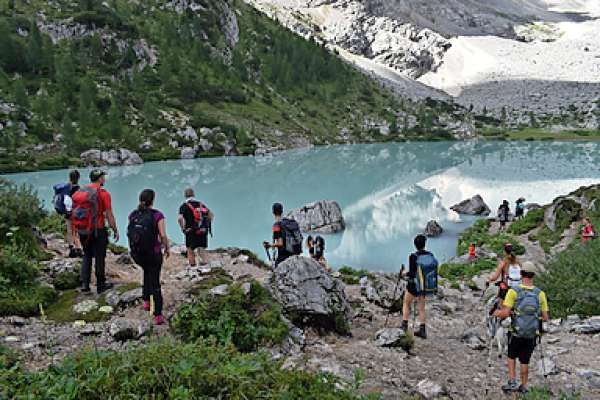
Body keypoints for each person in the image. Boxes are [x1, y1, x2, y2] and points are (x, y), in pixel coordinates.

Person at [493, 264, 549, 394]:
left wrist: (495, 313)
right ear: (533, 275)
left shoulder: (513, 292)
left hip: (516, 332)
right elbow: (545, 317)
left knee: (511, 356)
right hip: (531, 333)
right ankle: (524, 386)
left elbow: (505, 313)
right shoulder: (540, 294)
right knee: (525, 360)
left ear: (521, 274)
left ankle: (512, 382)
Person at [127, 189, 170, 325]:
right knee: (155, 281)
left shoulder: (133, 214)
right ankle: (157, 314)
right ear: (153, 200)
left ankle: (146, 301)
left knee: (146, 273)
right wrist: (167, 248)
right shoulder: (157, 215)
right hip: (153, 254)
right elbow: (162, 235)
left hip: (137, 254)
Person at [72, 170, 119, 294]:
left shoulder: (82, 191)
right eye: (103, 177)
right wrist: (115, 229)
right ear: (99, 179)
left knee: (87, 255)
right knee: (99, 257)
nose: (104, 179)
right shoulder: (103, 194)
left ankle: (85, 285)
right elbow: (109, 214)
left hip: (83, 229)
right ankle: (101, 285)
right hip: (98, 229)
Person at [401, 234, 438, 339]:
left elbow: (412, 274)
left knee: (406, 303)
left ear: (415, 245)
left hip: (414, 286)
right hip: (424, 286)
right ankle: (422, 330)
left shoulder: (413, 256)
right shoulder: (430, 255)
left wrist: (404, 274)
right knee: (421, 308)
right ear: (424, 244)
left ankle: (404, 326)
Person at [178, 188, 214, 267]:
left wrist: (183, 228)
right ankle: (206, 266)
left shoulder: (184, 206)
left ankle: (193, 267)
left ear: (185, 195)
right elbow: (211, 215)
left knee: (190, 250)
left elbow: (180, 218)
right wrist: (206, 225)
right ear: (194, 195)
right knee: (201, 249)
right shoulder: (201, 204)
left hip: (191, 231)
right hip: (202, 231)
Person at [263, 202, 302, 267]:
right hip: (295, 253)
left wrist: (269, 245)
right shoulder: (289, 222)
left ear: (273, 212)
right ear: (282, 211)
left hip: (284, 256)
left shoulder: (276, 225)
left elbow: (280, 243)